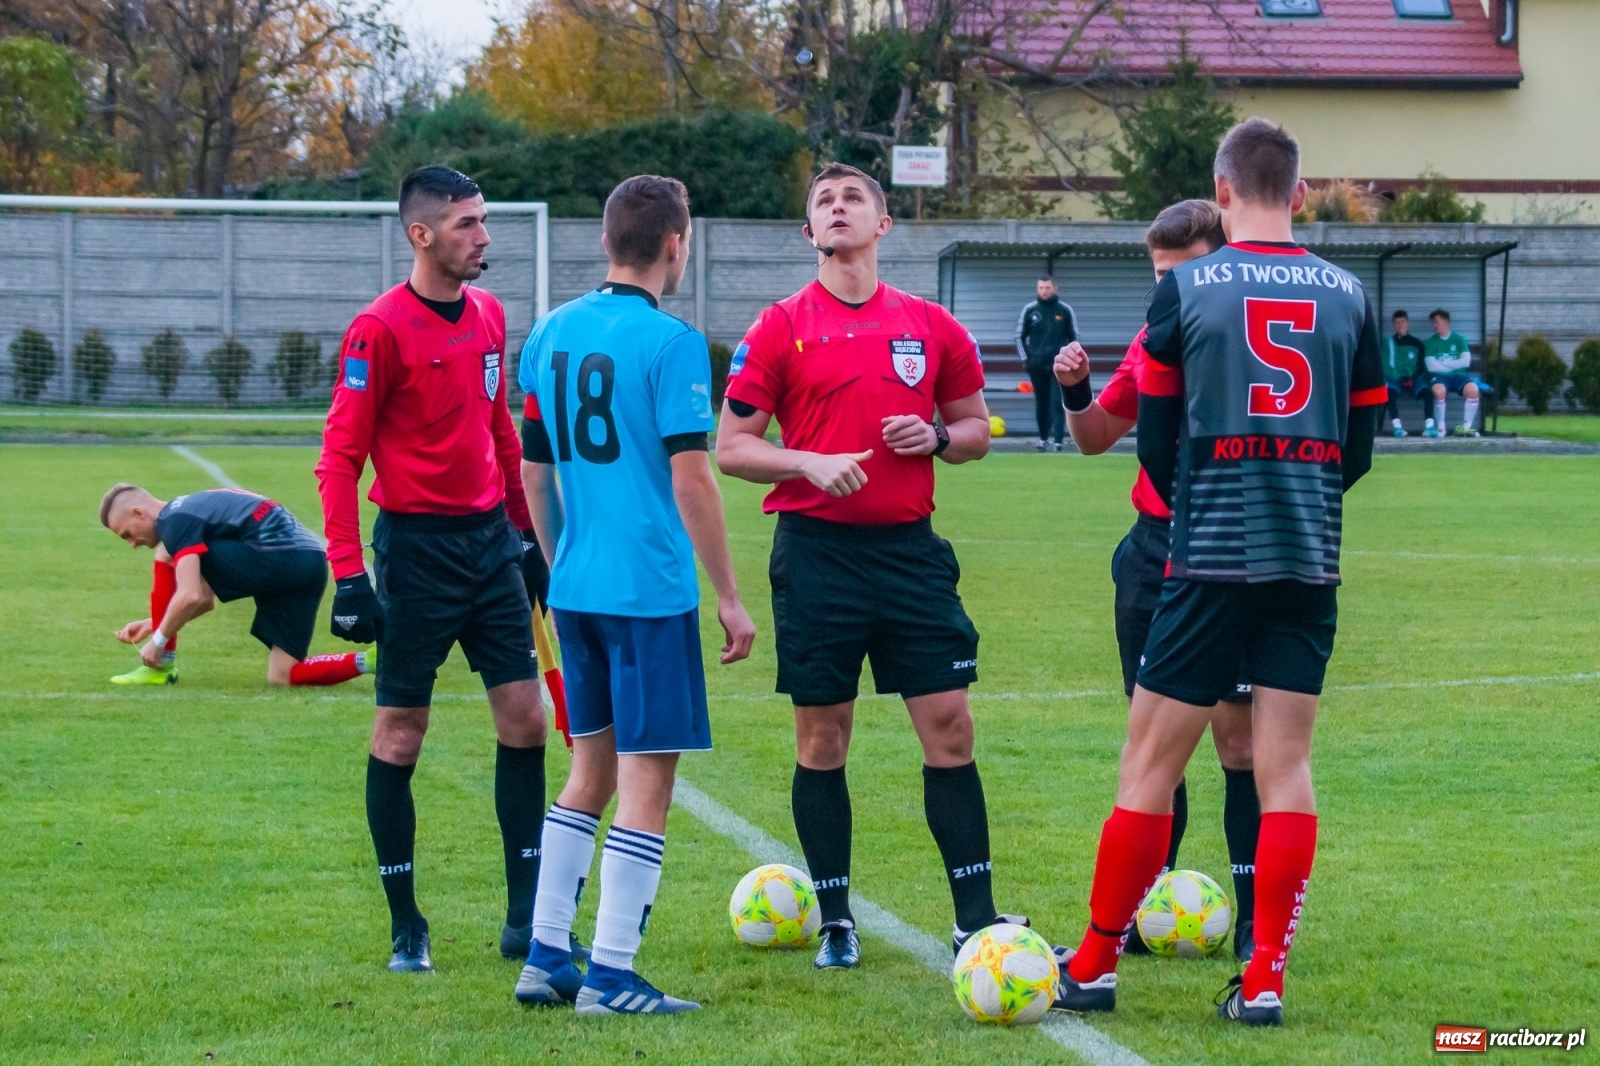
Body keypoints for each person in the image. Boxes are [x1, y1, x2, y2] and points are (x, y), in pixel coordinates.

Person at [1051, 118, 1385, 1027]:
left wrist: (1199, 502)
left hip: (1207, 555)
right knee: (1285, 766)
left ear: (1222, 190)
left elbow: (1156, 441)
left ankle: (1092, 964)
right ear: (1302, 193)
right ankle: (1265, 977)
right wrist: (1305, 492)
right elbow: (1359, 445)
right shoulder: (1351, 294)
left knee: (1150, 762)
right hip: (1309, 557)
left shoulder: (1189, 289)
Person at [717, 162, 1017, 972]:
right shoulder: (779, 325)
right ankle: (837, 918)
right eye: (823, 201)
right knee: (824, 737)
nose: (838, 208)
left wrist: (942, 440)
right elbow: (732, 447)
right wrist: (806, 463)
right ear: (809, 232)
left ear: (884, 225)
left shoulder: (930, 325)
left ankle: (976, 919)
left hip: (911, 556)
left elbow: (976, 431)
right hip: (817, 558)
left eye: (853, 198)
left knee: (950, 726)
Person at [512, 175, 756, 1015]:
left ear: (606, 241)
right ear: (677, 245)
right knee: (647, 784)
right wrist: (728, 594)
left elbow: (533, 470)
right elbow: (695, 478)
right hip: (649, 594)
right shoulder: (674, 343)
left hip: (574, 589)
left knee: (589, 772)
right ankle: (611, 973)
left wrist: (561, 561)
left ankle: (546, 956)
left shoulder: (546, 333)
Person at [316, 165, 550, 975]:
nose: (483, 237)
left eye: (483, 221)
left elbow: (500, 432)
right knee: (401, 732)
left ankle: (525, 920)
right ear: (422, 235)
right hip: (414, 554)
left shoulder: (488, 313)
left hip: (489, 544)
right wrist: (348, 576)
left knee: (526, 719)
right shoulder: (376, 329)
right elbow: (339, 459)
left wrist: (525, 538)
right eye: (466, 224)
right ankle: (405, 922)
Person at [1052, 198, 1261, 964]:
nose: (1169, 291)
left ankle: (1250, 914)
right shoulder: (1154, 337)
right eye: (1160, 276)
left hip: (1230, 551)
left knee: (1240, 746)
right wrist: (1075, 387)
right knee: (1154, 748)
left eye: (1183, 273)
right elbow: (1095, 438)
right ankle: (1144, 903)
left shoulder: (1247, 340)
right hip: (1151, 555)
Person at [99, 484, 371, 688]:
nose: (133, 544)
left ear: (138, 512)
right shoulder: (187, 509)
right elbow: (203, 599)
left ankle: (161, 667)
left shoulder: (174, 520)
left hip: (278, 555)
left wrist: (157, 641)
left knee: (167, 554)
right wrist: (155, 623)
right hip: (308, 564)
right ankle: (373, 660)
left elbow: (193, 595)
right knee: (283, 675)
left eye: (128, 534)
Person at [1014, 276, 1079, 450]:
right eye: (1041, 288)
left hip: (1060, 365)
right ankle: (1043, 439)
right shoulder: (1030, 310)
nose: (1044, 291)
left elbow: (1075, 338)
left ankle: (1058, 441)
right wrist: (1026, 360)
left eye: (1047, 287)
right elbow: (1019, 337)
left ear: (1055, 288)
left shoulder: (1064, 310)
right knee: (1042, 403)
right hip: (1037, 365)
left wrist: (1071, 359)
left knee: (1057, 402)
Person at [1423, 309, 1485, 437]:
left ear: (1446, 321)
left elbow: (1466, 362)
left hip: (1459, 377)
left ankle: (1466, 427)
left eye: (1436, 322)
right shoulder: (1430, 342)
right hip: (1440, 377)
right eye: (1433, 323)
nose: (1434, 325)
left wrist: (1443, 364)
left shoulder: (1459, 339)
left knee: (1473, 390)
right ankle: (1441, 427)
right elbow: (1431, 366)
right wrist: (1454, 364)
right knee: (1439, 391)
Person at [1382, 310, 1428, 438]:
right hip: (1396, 379)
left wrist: (1412, 377)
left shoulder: (1418, 344)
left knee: (1428, 392)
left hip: (1412, 379)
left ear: (1408, 323)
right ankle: (1398, 428)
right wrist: (1400, 377)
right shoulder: (1387, 344)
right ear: (1393, 325)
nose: (1400, 325)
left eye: (1402, 322)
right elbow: (1385, 366)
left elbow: (1421, 366)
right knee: (1389, 392)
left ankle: (1430, 427)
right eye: (1397, 323)